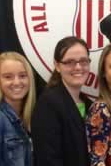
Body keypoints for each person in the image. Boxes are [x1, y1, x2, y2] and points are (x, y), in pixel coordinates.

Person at [31, 36, 92, 166]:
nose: (78, 67)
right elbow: (47, 160)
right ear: (57, 66)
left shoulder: (89, 104)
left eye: (83, 61)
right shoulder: (48, 104)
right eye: (70, 62)